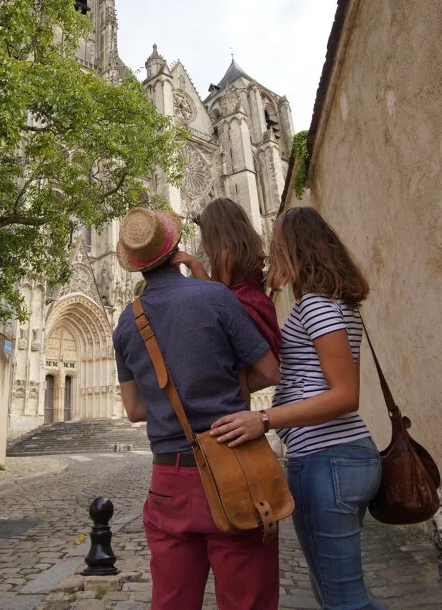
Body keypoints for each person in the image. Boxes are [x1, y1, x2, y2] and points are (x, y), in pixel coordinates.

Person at [211, 207, 385, 610]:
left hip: (327, 459)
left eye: (277, 243)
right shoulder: (335, 304)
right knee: (336, 594)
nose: (272, 252)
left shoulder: (317, 306)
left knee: (343, 600)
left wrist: (265, 419)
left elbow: (345, 395)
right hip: (344, 457)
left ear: (294, 247)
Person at [112, 207, 282, 610]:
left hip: (168, 478)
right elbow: (270, 370)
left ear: (136, 266)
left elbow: (134, 410)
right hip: (233, 463)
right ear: (176, 250)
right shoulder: (215, 296)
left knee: (172, 600)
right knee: (248, 600)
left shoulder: (125, 322)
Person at [172, 197, 282, 362]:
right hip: (259, 305)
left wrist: (194, 264)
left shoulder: (226, 254)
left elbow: (218, 295)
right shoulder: (245, 248)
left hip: (244, 313)